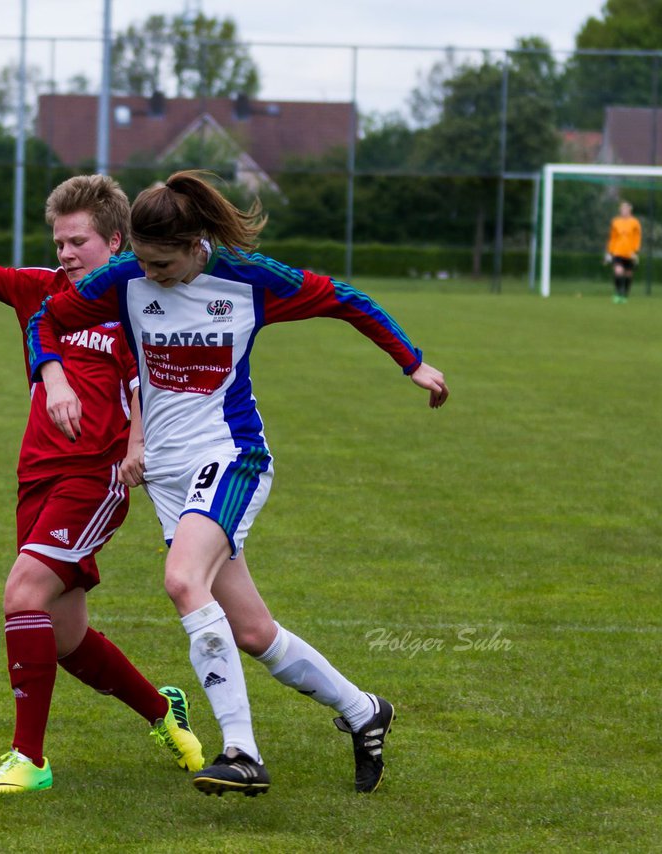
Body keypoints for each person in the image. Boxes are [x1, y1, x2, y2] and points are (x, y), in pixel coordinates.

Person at [26, 170, 449, 797]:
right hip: (171, 476)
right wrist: (54, 376)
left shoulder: (249, 278)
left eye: (163, 263)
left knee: (182, 581)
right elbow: (46, 321)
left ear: (198, 244)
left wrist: (411, 362)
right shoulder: (126, 279)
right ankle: (364, 711)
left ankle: (242, 753)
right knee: (253, 632)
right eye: (141, 261)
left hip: (232, 454)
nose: (151, 274)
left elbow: (344, 298)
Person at [0, 165, 203, 795]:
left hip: (94, 479)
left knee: (23, 594)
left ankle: (30, 759)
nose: (67, 253)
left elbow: (149, 388)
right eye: (59, 243)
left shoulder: (137, 303)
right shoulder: (42, 293)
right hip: (36, 479)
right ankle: (164, 712)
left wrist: (135, 446)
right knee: (68, 638)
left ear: (114, 243)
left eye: (79, 242)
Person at [605, 201, 641, 303]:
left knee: (628, 274)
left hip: (630, 253)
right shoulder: (615, 222)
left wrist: (635, 251)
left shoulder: (635, 222)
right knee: (618, 271)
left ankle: (625, 294)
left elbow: (637, 238)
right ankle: (617, 293)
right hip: (617, 252)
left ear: (630, 210)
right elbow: (612, 238)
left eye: (626, 209)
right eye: (622, 209)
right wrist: (609, 251)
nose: (624, 211)